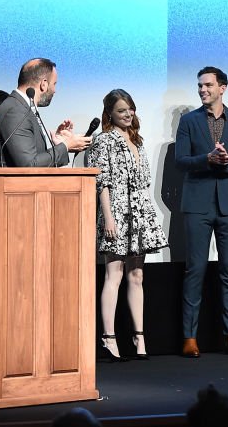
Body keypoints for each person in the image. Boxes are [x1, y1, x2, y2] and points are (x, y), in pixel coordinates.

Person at [175, 66, 228, 357]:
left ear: (223, 87)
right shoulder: (188, 121)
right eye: (199, 86)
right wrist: (207, 159)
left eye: (208, 85)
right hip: (198, 205)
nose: (202, 90)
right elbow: (181, 161)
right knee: (195, 270)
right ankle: (189, 337)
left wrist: (227, 162)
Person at [86, 89, 168, 361]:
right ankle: (108, 338)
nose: (127, 114)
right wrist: (107, 216)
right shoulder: (103, 141)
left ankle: (138, 336)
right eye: (121, 110)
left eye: (130, 109)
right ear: (110, 113)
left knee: (137, 275)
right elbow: (102, 182)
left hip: (139, 213)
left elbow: (144, 179)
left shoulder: (137, 140)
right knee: (115, 274)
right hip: (116, 213)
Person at [0, 58, 91, 166]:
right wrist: (66, 146)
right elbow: (29, 165)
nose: (55, 90)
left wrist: (59, 146)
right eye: (54, 84)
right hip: (9, 183)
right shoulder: (16, 111)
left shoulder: (21, 107)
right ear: (44, 84)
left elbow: (32, 160)